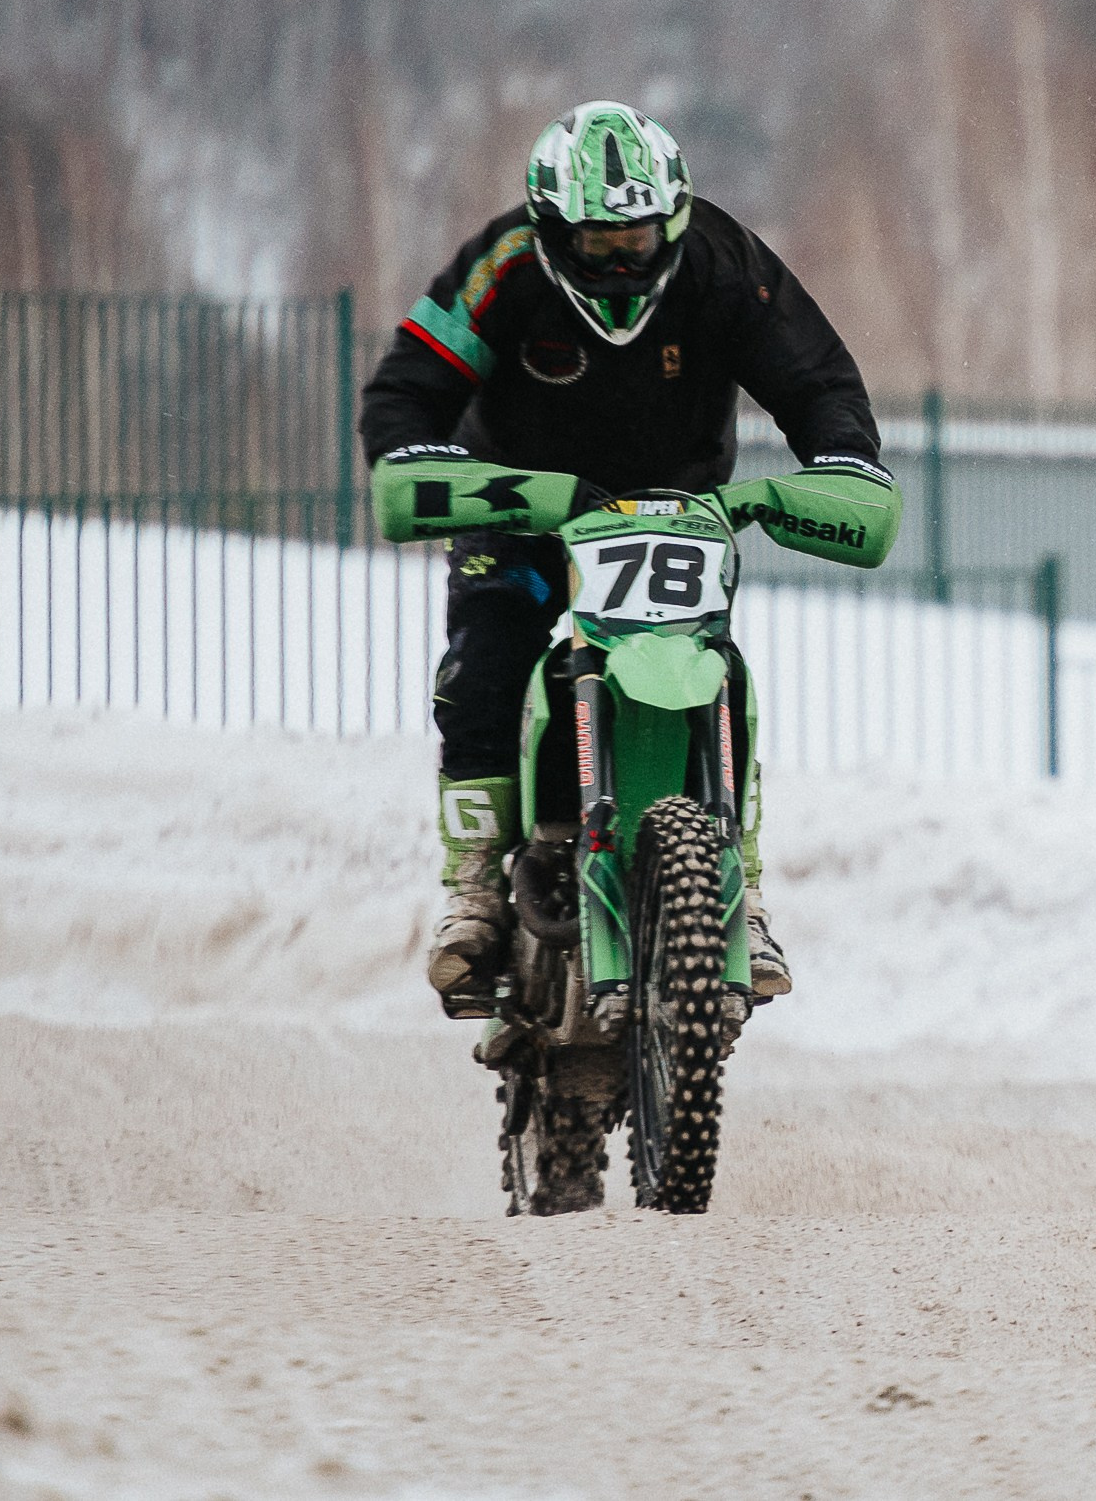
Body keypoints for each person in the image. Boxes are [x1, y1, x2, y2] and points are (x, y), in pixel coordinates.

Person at [357, 100, 897, 1016]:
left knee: (713, 668)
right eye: (598, 244)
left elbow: (819, 381)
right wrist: (419, 460)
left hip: (677, 510)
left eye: (638, 241)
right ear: (551, 231)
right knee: (484, 664)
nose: (620, 263)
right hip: (525, 508)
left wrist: (841, 459)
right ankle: (476, 884)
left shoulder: (727, 264)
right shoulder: (503, 265)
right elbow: (406, 390)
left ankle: (741, 890)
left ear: (672, 222)